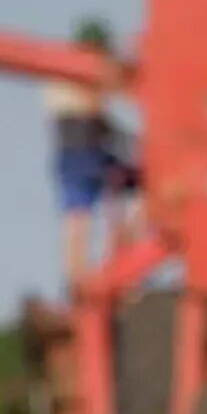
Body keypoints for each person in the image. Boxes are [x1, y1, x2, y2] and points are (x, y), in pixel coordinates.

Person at [46, 17, 140, 289]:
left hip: (80, 152)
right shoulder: (73, 73)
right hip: (81, 152)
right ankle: (88, 275)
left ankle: (99, 270)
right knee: (82, 214)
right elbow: (93, 108)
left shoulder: (63, 71)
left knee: (81, 213)